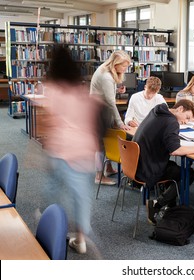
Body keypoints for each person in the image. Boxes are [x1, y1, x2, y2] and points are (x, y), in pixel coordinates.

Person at [41, 45, 102, 254]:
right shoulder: (82, 90)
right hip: (86, 149)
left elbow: (50, 121)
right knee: (81, 196)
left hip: (63, 148)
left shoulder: (53, 90)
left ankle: (50, 228)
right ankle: (80, 239)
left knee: (53, 188)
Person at [132, 99, 194, 225]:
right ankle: (157, 205)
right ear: (180, 109)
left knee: (174, 168)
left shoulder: (158, 111)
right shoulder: (171, 121)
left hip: (136, 164)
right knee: (188, 174)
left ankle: (169, 206)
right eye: (187, 117)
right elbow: (175, 150)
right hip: (148, 169)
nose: (186, 121)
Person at [90, 50, 132, 185]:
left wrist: (116, 90)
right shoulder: (106, 76)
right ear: (116, 64)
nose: (125, 69)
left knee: (107, 140)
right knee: (100, 145)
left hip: (102, 109)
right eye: (124, 66)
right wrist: (120, 123)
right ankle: (99, 176)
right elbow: (110, 102)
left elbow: (105, 93)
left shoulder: (106, 69)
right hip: (98, 112)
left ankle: (107, 168)